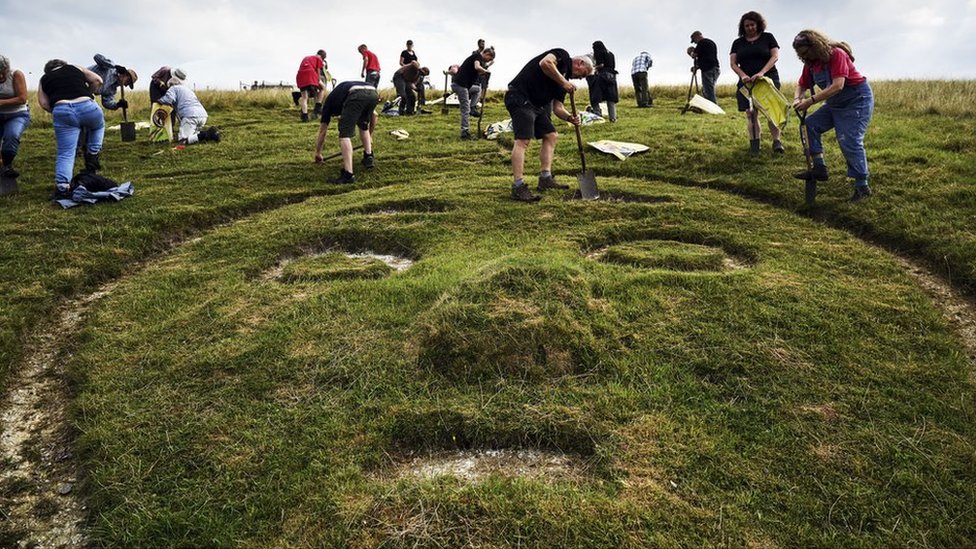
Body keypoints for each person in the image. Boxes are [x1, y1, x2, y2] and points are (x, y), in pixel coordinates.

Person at [791, 30, 875, 202]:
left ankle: (862, 186)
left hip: (856, 100)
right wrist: (797, 98)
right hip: (834, 104)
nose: (805, 58)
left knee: (849, 139)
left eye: (806, 53)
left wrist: (810, 101)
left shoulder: (837, 54)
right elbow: (802, 84)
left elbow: (838, 85)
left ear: (815, 45)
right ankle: (819, 168)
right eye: (801, 56)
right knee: (809, 125)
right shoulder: (811, 63)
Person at [504, 49, 593, 202]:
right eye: (583, 74)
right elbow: (545, 63)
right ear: (579, 63)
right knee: (523, 141)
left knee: (551, 135)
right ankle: (518, 187)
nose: (579, 79)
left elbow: (557, 108)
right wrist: (564, 82)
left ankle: (545, 179)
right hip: (519, 97)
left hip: (536, 106)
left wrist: (570, 118)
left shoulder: (562, 84)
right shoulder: (562, 56)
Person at [36, 59, 105, 196]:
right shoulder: (75, 67)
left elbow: (43, 103)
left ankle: (62, 186)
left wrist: (59, 110)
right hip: (87, 105)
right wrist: (89, 93)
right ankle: (92, 153)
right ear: (63, 64)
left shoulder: (44, 78)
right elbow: (98, 80)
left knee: (65, 152)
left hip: (62, 110)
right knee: (98, 126)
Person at [730, 11, 784, 155]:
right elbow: (733, 63)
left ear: (758, 24)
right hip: (746, 81)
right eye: (746, 25)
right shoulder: (737, 42)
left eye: (752, 24)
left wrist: (761, 72)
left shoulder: (768, 37)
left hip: (767, 79)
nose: (750, 27)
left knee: (770, 110)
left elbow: (775, 56)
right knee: (751, 113)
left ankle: (777, 142)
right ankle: (755, 145)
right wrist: (743, 76)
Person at [314, 81, 378, 184]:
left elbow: (322, 131)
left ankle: (348, 175)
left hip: (356, 94)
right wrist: (369, 135)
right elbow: (374, 115)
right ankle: (368, 157)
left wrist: (318, 153)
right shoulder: (339, 96)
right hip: (373, 92)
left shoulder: (328, 106)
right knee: (363, 124)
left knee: (344, 133)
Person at [155, 71, 220, 145]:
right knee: (193, 136)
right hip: (202, 116)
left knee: (182, 140)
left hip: (190, 116)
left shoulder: (173, 88)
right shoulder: (188, 90)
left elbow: (169, 99)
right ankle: (206, 135)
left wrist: (159, 101)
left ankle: (207, 134)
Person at [452, 46, 494, 140]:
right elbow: (477, 67)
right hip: (460, 85)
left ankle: (472, 107)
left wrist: (484, 73)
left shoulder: (479, 60)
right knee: (465, 110)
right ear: (486, 54)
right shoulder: (477, 56)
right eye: (489, 59)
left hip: (464, 86)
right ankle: (465, 133)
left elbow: (477, 71)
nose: (488, 61)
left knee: (477, 89)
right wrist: (485, 71)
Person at [0, 54, 30, 179]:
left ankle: (7, 165)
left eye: (2, 72)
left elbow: (22, 98)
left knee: (12, 136)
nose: (0, 76)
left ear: (7, 69)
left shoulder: (16, 75)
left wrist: (1, 102)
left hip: (17, 114)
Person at [587, 41, 619, 122]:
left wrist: (593, 67)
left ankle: (597, 115)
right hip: (612, 76)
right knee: (610, 97)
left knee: (595, 96)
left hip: (602, 76)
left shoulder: (600, 52)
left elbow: (601, 65)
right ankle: (613, 117)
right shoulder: (611, 53)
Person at [688, 31, 720, 104]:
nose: (695, 43)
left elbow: (694, 55)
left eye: (694, 41)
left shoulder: (701, 43)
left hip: (707, 69)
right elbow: (705, 58)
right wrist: (696, 67)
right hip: (716, 68)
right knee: (707, 89)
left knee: (708, 90)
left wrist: (690, 52)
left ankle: (713, 106)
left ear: (697, 37)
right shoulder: (711, 42)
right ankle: (705, 104)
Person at [296, 50, 328, 122]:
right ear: (323, 57)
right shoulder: (319, 58)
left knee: (304, 97)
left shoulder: (306, 57)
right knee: (323, 88)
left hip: (300, 75)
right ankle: (318, 107)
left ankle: (305, 116)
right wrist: (318, 80)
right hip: (311, 74)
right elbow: (318, 71)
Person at [399, 40, 428, 112]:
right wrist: (407, 67)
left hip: (414, 72)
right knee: (408, 89)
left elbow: (417, 63)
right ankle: (406, 107)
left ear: (412, 45)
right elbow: (401, 62)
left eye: (411, 45)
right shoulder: (404, 52)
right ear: (407, 45)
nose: (409, 46)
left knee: (421, 86)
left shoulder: (414, 53)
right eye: (408, 45)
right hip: (407, 72)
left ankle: (421, 104)